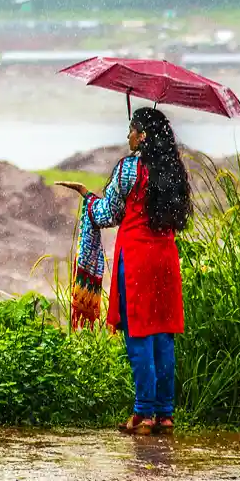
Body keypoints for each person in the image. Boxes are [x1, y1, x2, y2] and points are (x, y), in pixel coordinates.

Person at [56, 107, 192, 435]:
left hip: (136, 259)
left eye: (131, 130)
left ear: (143, 135)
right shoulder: (174, 169)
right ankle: (165, 414)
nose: (127, 136)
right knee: (163, 334)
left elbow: (106, 214)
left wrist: (87, 197)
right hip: (165, 259)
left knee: (139, 333)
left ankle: (143, 414)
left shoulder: (129, 169)